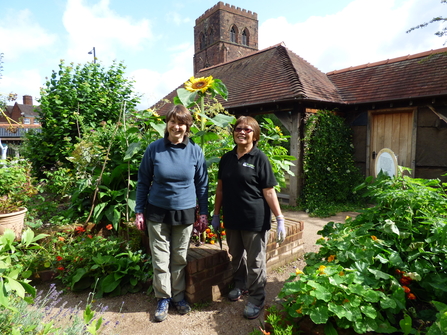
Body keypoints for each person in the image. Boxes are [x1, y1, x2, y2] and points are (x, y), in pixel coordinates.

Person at [134, 105, 208, 322]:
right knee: (160, 257)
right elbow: (143, 181)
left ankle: (178, 296)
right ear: (167, 124)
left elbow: (202, 185)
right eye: (173, 122)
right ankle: (163, 298)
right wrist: (139, 211)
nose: (177, 126)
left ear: (187, 126)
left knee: (179, 257)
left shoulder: (195, 151)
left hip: (184, 212)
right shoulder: (154, 149)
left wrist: (203, 213)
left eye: (182, 123)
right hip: (156, 212)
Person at [211, 116, 286, 320]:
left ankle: (256, 298)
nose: (241, 132)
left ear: (255, 134)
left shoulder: (259, 158)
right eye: (238, 128)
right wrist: (216, 214)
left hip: (255, 219)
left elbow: (269, 191)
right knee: (236, 256)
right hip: (232, 218)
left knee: (255, 261)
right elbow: (220, 190)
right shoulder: (226, 158)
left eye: (247, 129)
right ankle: (241, 285)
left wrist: (279, 218)